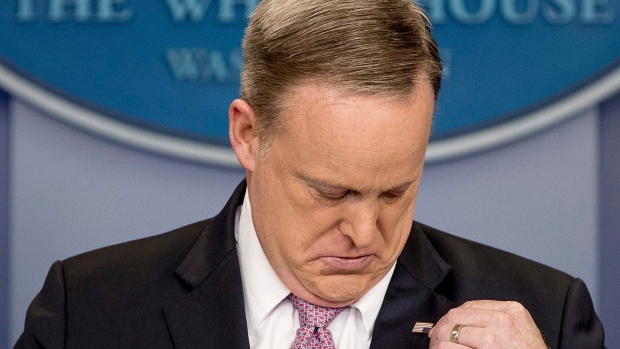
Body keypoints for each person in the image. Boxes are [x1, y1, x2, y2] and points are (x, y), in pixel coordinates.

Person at [15, 0, 605, 348]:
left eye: (397, 190)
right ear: (248, 136)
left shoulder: (547, 316)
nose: (367, 234)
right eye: (331, 192)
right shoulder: (87, 314)